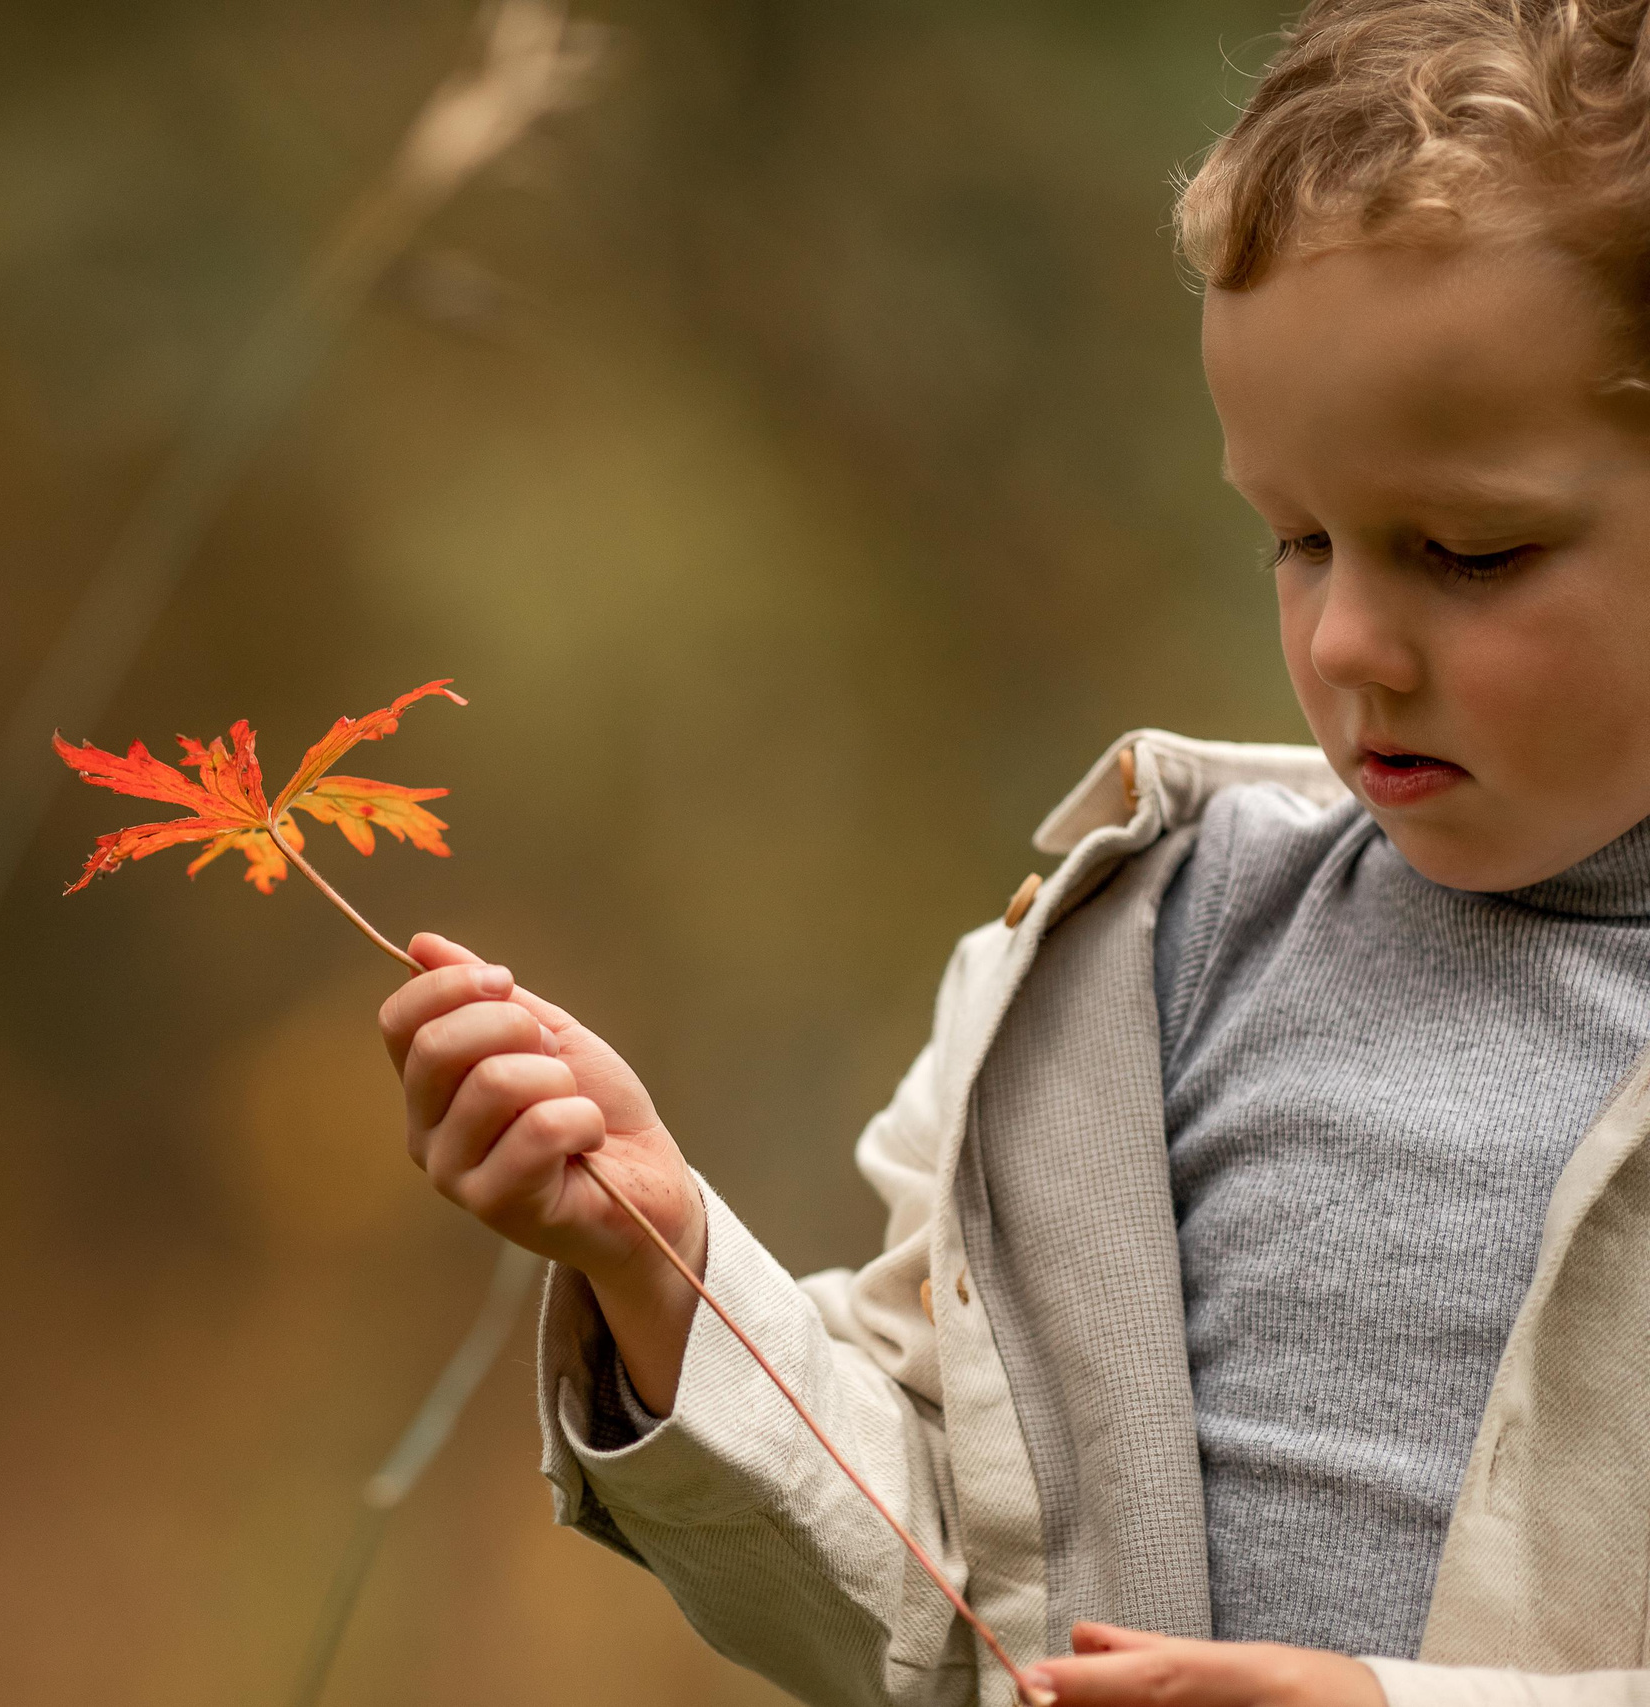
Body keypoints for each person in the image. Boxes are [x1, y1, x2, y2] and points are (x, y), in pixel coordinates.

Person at [375, 3, 1650, 1703]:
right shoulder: (1132, 973)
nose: (1349, 640)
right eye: (1295, 539)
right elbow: (941, 1605)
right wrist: (664, 1261)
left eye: (1471, 551)